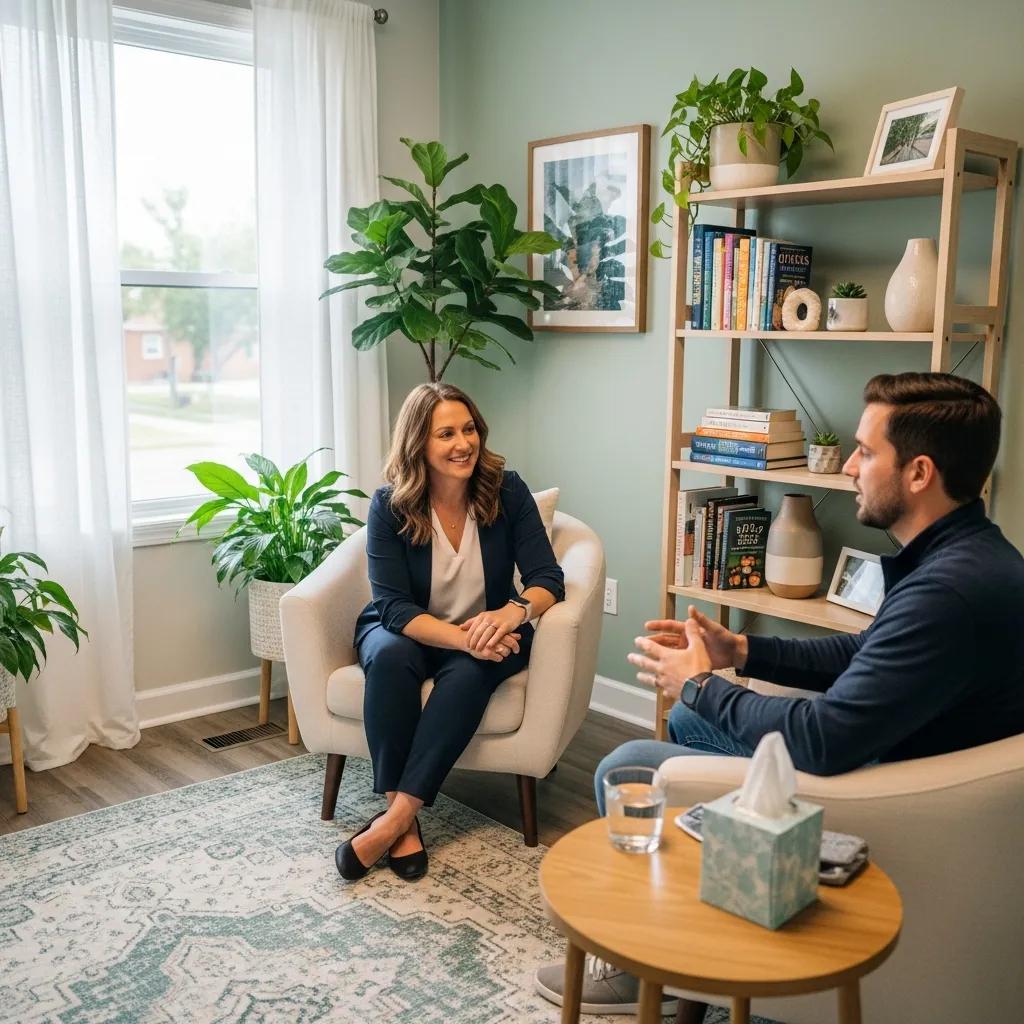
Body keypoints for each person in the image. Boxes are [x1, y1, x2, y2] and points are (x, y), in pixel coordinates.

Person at [535, 371, 1024, 1017]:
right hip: (904, 761)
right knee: (687, 723)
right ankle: (699, 942)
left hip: (884, 794)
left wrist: (702, 682)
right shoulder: (966, 557)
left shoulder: (947, 594)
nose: (850, 466)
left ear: (919, 472)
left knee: (627, 768)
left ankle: (652, 967)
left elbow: (823, 742)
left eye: (866, 451)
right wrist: (742, 652)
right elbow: (863, 655)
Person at [336, 382, 564, 882]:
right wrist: (463, 638)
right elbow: (393, 607)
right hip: (408, 629)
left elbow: (549, 579)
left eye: (468, 429)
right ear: (418, 442)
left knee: (469, 676)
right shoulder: (389, 505)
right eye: (446, 433)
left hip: (490, 628)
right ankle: (406, 822)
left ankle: (394, 820)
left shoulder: (507, 490)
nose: (463, 443)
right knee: (391, 659)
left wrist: (511, 615)